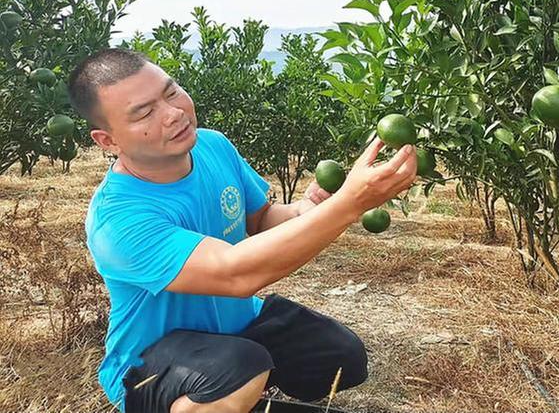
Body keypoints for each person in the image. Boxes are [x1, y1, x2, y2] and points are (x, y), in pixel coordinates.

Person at [67, 48, 417, 413]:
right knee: (239, 366)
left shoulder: (213, 146)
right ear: (108, 141)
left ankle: (233, 396)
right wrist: (349, 205)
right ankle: (205, 399)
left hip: (234, 328)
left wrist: (309, 209)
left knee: (341, 355)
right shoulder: (119, 220)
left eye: (171, 92)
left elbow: (262, 218)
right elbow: (234, 273)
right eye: (145, 112)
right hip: (150, 364)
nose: (174, 114)